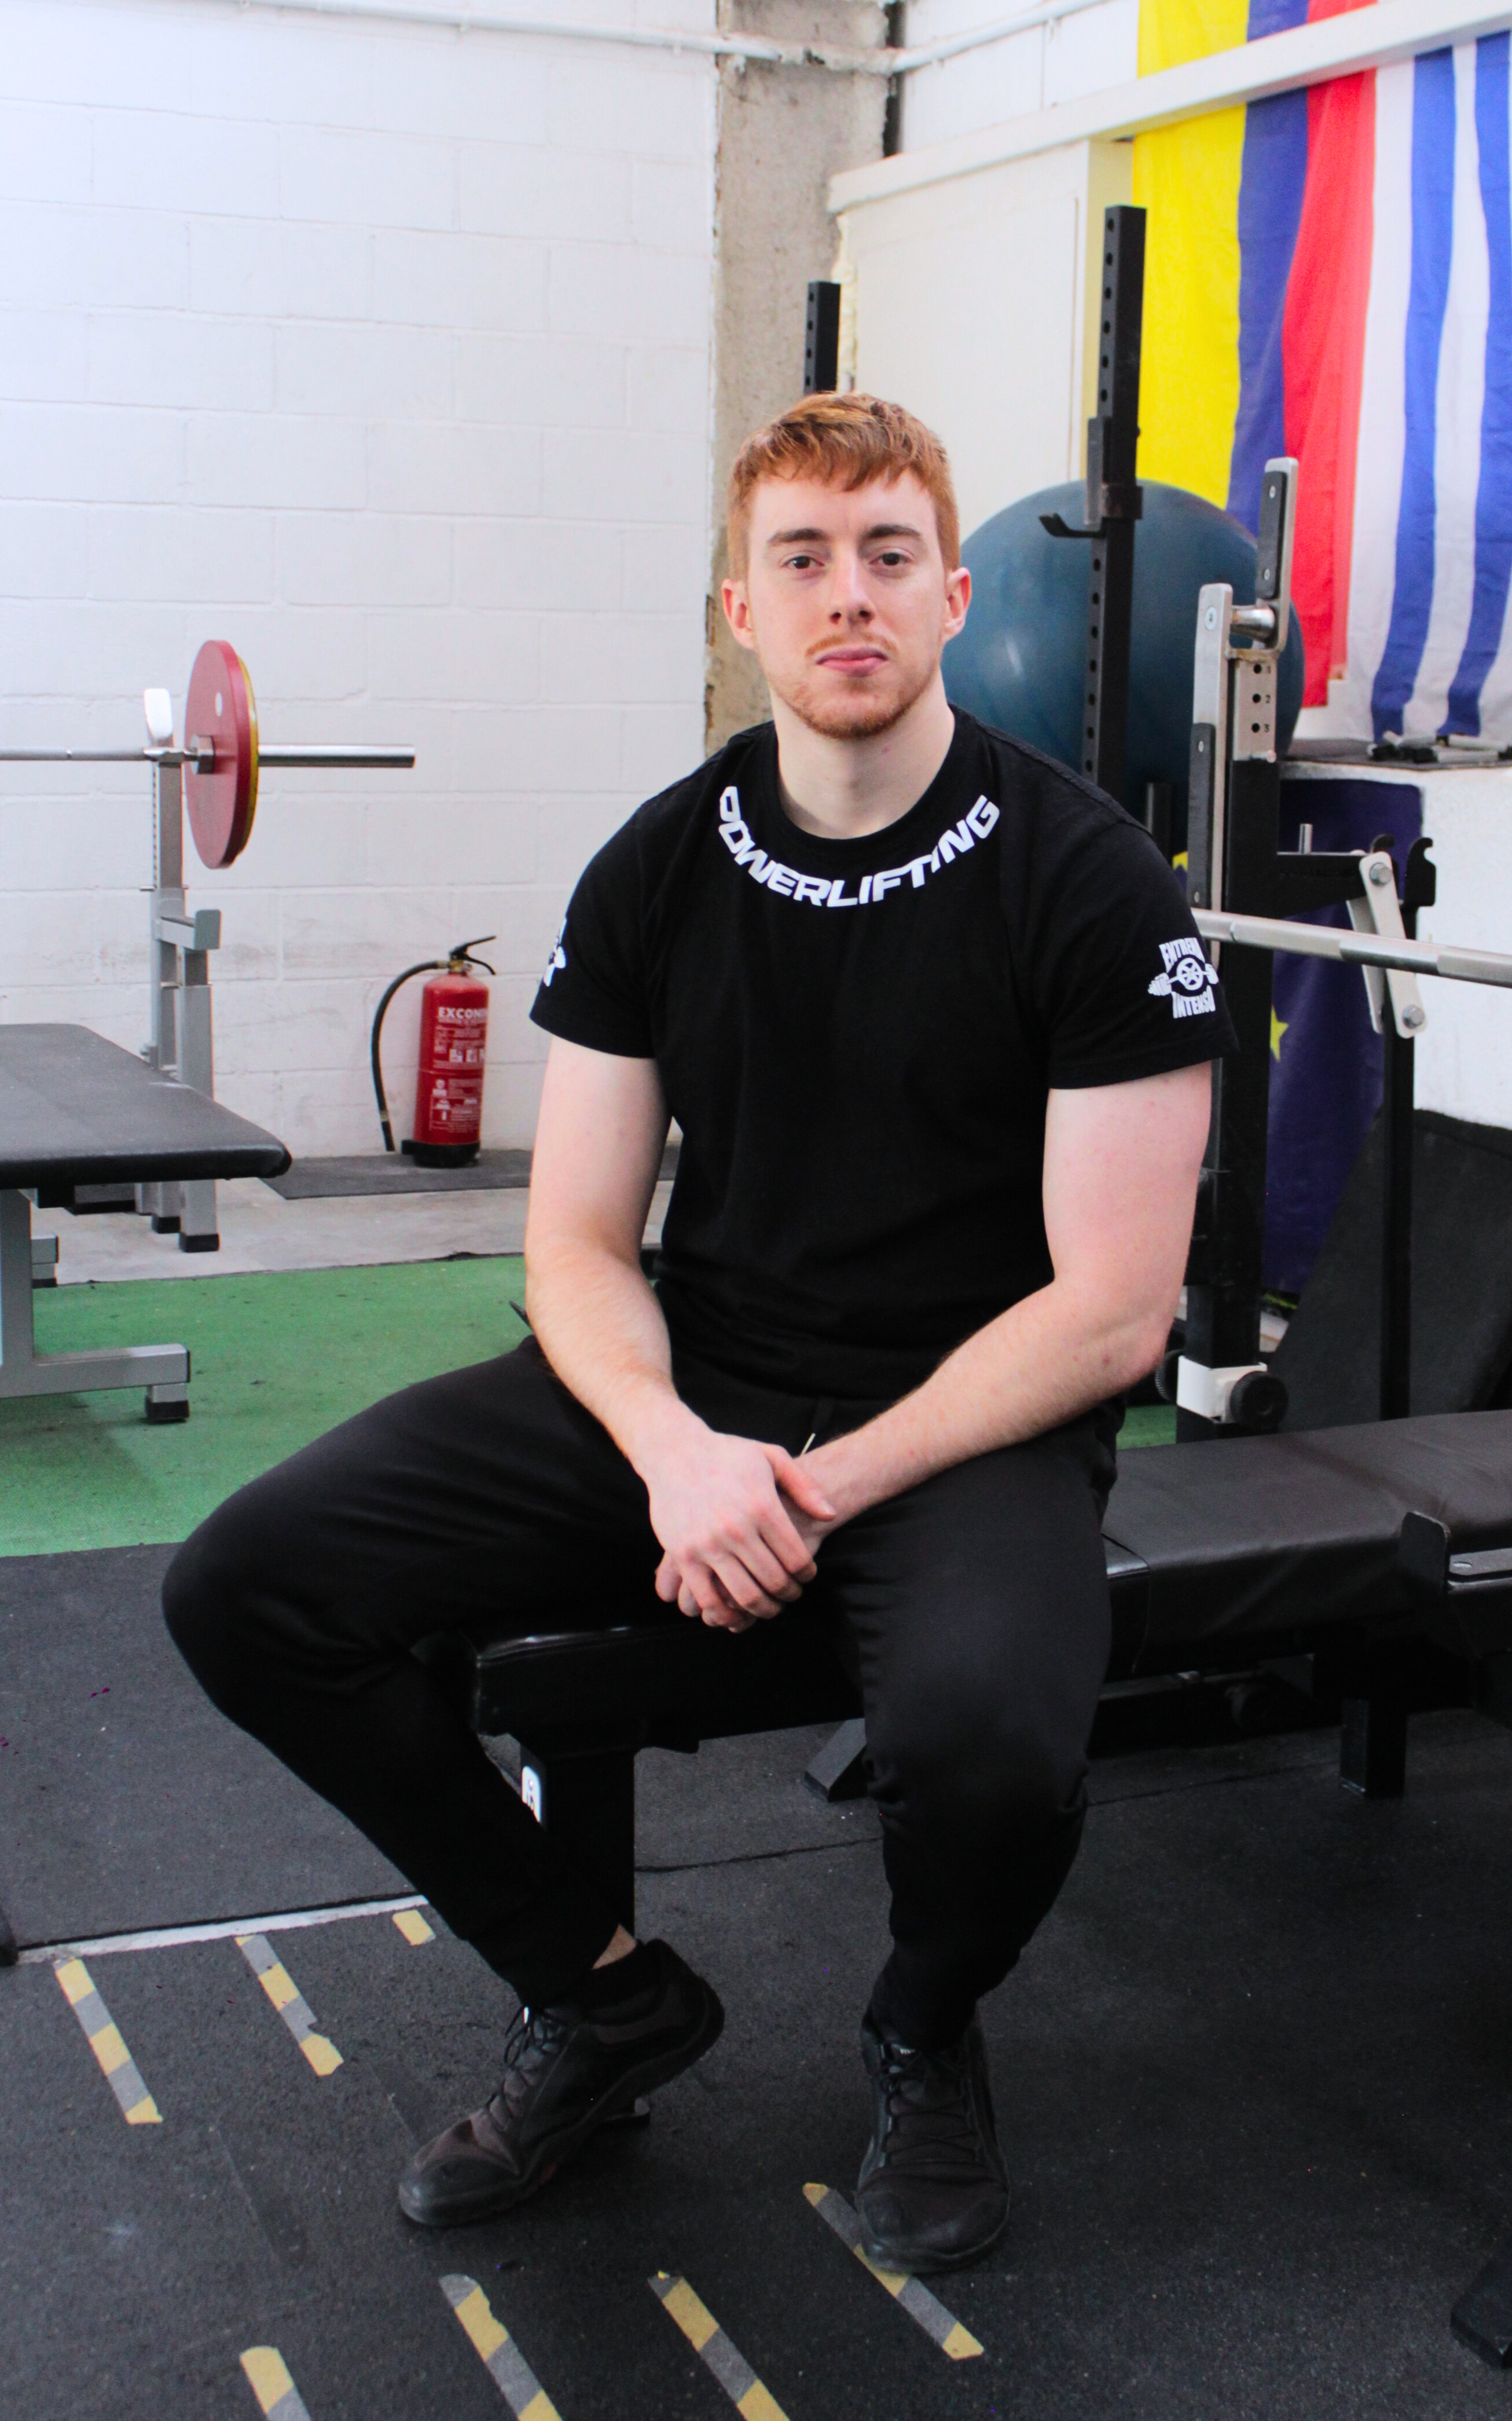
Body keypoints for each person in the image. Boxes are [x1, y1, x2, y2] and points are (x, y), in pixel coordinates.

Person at [163, 393, 1230, 2276]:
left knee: (992, 1749)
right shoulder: (660, 865)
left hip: (964, 1419)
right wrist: (677, 1451)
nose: (847, 595)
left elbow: (1113, 1311)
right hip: (695, 1386)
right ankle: (598, 1993)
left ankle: (923, 2024)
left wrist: (812, 1487)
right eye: (801, 559)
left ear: (955, 593)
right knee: (248, 1585)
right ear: (742, 607)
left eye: (887, 555)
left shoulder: (1087, 880)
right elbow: (577, 1244)